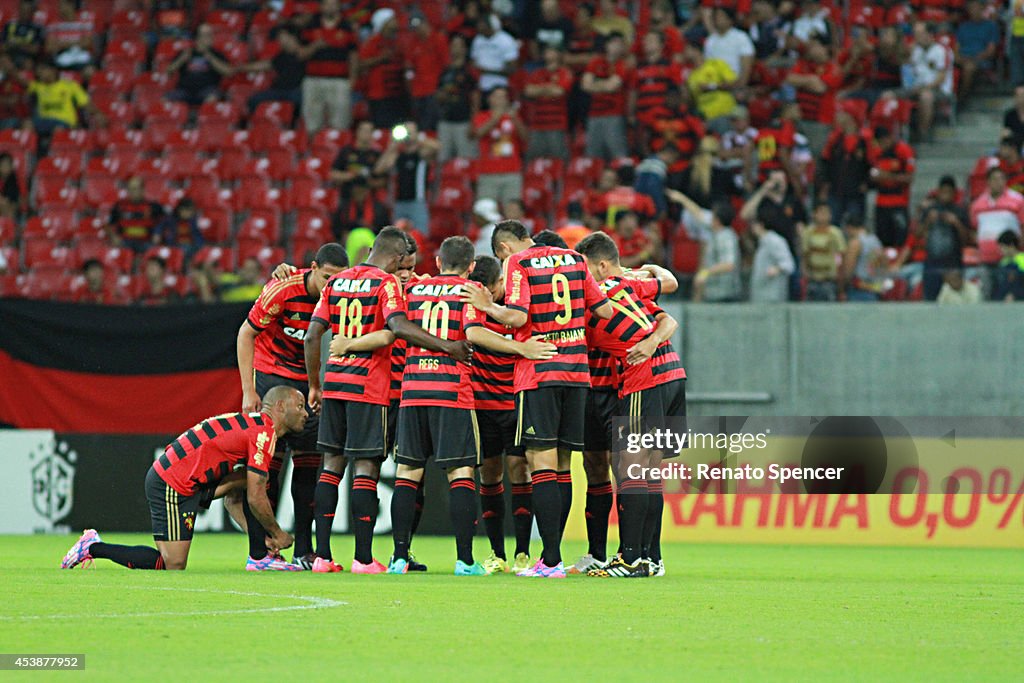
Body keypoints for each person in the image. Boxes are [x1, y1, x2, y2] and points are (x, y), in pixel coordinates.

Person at [303, 227, 472, 574]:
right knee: (371, 468)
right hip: (375, 387)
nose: (406, 272)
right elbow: (396, 326)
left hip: (336, 383)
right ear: (396, 259)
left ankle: (321, 555)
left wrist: (315, 385)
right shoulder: (388, 285)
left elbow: (311, 336)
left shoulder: (336, 282)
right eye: (404, 265)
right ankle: (364, 558)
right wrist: (448, 347)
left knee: (331, 466)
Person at [384, 237, 557, 575]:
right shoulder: (468, 291)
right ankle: (464, 560)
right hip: (452, 391)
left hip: (413, 389)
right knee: (461, 473)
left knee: (407, 473)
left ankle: (400, 557)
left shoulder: (414, 292)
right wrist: (521, 349)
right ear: (472, 267)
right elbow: (475, 334)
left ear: (436, 262)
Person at [461, 220, 613, 578]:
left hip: (540, 372)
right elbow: (604, 310)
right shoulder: (575, 260)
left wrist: (489, 306)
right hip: (577, 374)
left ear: (503, 250)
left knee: (540, 464)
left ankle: (551, 561)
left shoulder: (519, 263)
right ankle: (551, 556)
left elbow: (517, 315)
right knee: (562, 465)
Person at [61, 386, 308, 571]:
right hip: (172, 481)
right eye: (300, 405)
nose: (306, 413)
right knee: (172, 564)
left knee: (251, 479)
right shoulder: (263, 434)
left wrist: (262, 539)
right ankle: (93, 546)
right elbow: (254, 498)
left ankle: (260, 557)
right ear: (280, 407)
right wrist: (278, 533)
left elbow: (234, 500)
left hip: (188, 478)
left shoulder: (255, 426)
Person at [575, 231, 685, 578]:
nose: (583, 279)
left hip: (643, 378)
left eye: (585, 271)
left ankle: (630, 558)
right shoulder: (629, 284)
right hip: (672, 373)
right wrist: (653, 339)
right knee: (649, 471)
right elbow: (668, 298)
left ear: (602, 266)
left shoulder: (592, 298)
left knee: (632, 470)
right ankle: (651, 558)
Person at [236, 243, 348, 569]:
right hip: (272, 381)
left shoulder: (340, 297)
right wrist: (248, 391)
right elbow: (246, 334)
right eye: (327, 278)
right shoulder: (283, 289)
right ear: (313, 267)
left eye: (338, 281)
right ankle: (261, 550)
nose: (331, 287)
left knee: (309, 468)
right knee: (266, 469)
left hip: (309, 386)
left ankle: (303, 550)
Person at [465, 255, 535, 573]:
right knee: (490, 476)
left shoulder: (518, 310)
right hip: (483, 406)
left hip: (516, 404)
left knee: (520, 472)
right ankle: (497, 554)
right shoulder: (470, 312)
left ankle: (522, 553)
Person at [893, 176, 971, 300]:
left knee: (954, 299)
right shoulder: (929, 210)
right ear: (938, 192)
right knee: (930, 299)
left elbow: (966, 240)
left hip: (953, 264)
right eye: (943, 192)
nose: (945, 195)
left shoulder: (960, 212)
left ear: (953, 193)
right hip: (931, 264)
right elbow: (917, 234)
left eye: (948, 192)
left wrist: (956, 223)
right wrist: (928, 222)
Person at [666, 188, 740, 302]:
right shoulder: (714, 231)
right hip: (713, 292)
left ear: (717, 219)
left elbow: (728, 264)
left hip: (724, 295)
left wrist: (705, 273)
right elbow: (698, 214)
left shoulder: (726, 237)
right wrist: (681, 198)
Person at [298, 0, 357, 134]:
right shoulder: (311, 26)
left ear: (338, 6)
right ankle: (313, 151)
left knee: (340, 122)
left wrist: (353, 79)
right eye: (327, 4)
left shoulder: (346, 27)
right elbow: (301, 54)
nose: (330, 7)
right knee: (311, 122)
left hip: (339, 80)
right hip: (313, 80)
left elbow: (353, 56)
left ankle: (338, 149)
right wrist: (315, 46)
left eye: (333, 4)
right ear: (321, 6)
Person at [375, 121, 440, 236]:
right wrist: (392, 146)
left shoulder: (422, 154)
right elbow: (379, 169)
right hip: (399, 202)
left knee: (420, 236)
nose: (408, 134)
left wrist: (418, 139)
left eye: (411, 131)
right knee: (398, 238)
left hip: (418, 201)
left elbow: (437, 147)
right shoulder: (397, 155)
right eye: (407, 131)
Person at [785, 36, 842, 154]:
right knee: (796, 155)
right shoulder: (803, 64)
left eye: (814, 45)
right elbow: (789, 79)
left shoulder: (833, 67)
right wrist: (811, 80)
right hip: (799, 118)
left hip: (820, 122)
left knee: (815, 156)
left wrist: (802, 81)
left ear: (825, 48)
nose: (810, 48)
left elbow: (820, 87)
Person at [581, 32, 632, 161]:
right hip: (594, 115)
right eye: (614, 43)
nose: (617, 47)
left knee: (618, 154)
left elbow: (612, 86)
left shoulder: (623, 65)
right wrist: (605, 85)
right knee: (593, 155)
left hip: (614, 115)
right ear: (607, 45)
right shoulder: (595, 62)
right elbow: (585, 85)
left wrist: (596, 84)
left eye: (620, 44)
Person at [471, 86, 527, 204]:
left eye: (503, 97)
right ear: (489, 99)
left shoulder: (513, 117)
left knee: (512, 212)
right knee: (486, 210)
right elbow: (478, 133)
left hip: (512, 172)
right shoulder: (482, 116)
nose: (500, 100)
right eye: (497, 96)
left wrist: (515, 119)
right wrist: (495, 118)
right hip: (488, 173)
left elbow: (525, 137)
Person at [818, 106, 870, 225]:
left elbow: (871, 163)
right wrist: (824, 185)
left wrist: (867, 183)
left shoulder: (864, 139)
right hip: (836, 190)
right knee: (832, 223)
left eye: (842, 114)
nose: (837, 116)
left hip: (855, 192)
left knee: (855, 223)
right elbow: (825, 162)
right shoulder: (834, 138)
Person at [19, 59, 102, 134]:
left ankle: (56, 149)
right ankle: (27, 148)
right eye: (38, 71)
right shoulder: (38, 86)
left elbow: (85, 103)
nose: (39, 73)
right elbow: (20, 80)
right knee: (27, 124)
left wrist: (98, 114)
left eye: (42, 70)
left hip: (64, 122)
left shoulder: (70, 85)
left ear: (53, 71)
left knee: (58, 129)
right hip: (43, 121)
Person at [239, 27, 307, 118]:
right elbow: (267, 64)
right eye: (279, 38)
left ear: (293, 37)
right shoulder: (281, 55)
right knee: (253, 100)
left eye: (283, 37)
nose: (280, 41)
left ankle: (294, 126)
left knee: (301, 101)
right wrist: (240, 68)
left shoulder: (305, 53)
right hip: (278, 90)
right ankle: (251, 125)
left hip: (295, 90)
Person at [359, 8, 408, 129]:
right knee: (382, 128)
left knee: (399, 129)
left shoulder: (398, 41)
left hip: (398, 94)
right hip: (379, 96)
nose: (396, 22)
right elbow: (361, 64)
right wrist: (381, 58)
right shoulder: (373, 42)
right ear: (384, 23)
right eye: (392, 20)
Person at [524, 44, 572, 161]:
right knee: (533, 158)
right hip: (537, 123)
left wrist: (539, 89)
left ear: (559, 55)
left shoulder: (565, 72)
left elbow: (559, 91)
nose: (548, 54)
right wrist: (550, 87)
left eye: (552, 51)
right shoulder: (536, 73)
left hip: (557, 124)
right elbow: (528, 91)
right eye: (547, 51)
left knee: (559, 158)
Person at [869, 126, 916, 248]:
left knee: (900, 239)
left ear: (890, 138)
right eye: (879, 143)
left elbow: (909, 178)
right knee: (882, 240)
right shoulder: (877, 152)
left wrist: (887, 176)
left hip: (898, 202)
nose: (882, 145)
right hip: (881, 202)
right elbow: (872, 174)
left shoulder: (904, 151)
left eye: (884, 142)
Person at [166, 23, 233, 105]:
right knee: (165, 100)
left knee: (212, 99)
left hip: (208, 89)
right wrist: (181, 60)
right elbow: (169, 71)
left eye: (211, 34)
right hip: (184, 89)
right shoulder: (186, 52)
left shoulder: (216, 53)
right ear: (197, 38)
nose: (210, 37)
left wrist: (210, 57)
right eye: (206, 35)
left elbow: (228, 72)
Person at [436, 34, 479, 161]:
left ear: (465, 49)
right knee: (442, 159)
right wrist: (441, 96)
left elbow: (475, 97)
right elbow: (438, 95)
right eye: (453, 45)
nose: (455, 48)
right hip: (446, 120)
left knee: (466, 159)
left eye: (458, 45)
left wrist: (474, 121)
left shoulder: (469, 71)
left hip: (464, 122)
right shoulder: (445, 71)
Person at [907, 22, 953, 142]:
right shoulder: (915, 49)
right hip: (915, 87)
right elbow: (906, 70)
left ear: (929, 34)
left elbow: (941, 78)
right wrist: (908, 53)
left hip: (939, 89)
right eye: (915, 34)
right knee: (888, 95)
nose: (915, 37)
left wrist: (924, 87)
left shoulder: (942, 50)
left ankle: (923, 134)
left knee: (926, 96)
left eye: (919, 34)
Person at [407, 11, 449, 132]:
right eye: (414, 28)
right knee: (421, 127)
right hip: (418, 92)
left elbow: (446, 65)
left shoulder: (439, 39)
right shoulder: (414, 43)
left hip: (434, 91)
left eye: (419, 26)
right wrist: (410, 84)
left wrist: (442, 88)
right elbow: (409, 68)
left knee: (435, 126)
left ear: (426, 23)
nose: (417, 30)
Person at [330, 119, 388, 199]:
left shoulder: (377, 154)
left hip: (370, 198)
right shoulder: (346, 151)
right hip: (347, 196)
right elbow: (333, 174)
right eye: (363, 130)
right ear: (357, 132)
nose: (366, 133)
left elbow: (384, 180)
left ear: (372, 134)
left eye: (369, 131)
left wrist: (370, 183)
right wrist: (350, 175)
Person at [971, 167, 1024, 251]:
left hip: (1011, 256)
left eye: (1001, 178)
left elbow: (1023, 226)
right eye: (995, 179)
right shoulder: (977, 204)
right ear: (988, 181)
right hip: (986, 255)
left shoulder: (1018, 200)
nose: (998, 182)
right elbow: (975, 228)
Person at [801, 202, 847, 301]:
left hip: (829, 280)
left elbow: (839, 256)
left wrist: (840, 279)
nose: (823, 216)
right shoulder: (808, 232)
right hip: (813, 279)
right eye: (821, 213)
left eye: (826, 213)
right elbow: (805, 254)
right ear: (814, 214)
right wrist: (805, 275)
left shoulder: (835, 233)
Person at [955, 0, 999, 99]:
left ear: (982, 8)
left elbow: (991, 50)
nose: (974, 10)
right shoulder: (963, 26)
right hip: (963, 58)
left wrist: (975, 58)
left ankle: (962, 97)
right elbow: (956, 47)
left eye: (976, 7)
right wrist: (958, 57)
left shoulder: (991, 26)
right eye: (971, 8)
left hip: (981, 59)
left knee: (969, 67)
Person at [108, 177, 165, 253]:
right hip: (125, 242)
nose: (131, 192)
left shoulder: (154, 206)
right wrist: (113, 236)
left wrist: (158, 233)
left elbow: (164, 222)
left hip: (146, 242)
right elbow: (110, 224)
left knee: (154, 252)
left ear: (142, 190)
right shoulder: (119, 206)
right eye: (130, 189)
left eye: (135, 189)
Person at [703, 7, 754, 90]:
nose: (717, 19)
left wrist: (741, 85)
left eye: (721, 16)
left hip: (736, 82)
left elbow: (746, 64)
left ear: (730, 20)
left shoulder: (741, 37)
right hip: (716, 83)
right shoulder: (710, 40)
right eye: (715, 16)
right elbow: (708, 65)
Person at [749, 217, 796, 302]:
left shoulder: (774, 241)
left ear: (761, 225)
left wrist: (777, 269)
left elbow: (789, 264)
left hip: (773, 296)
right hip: (761, 295)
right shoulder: (762, 242)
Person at [841, 212, 885, 302]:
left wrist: (842, 289)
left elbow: (848, 272)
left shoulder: (855, 243)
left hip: (858, 289)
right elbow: (883, 265)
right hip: (874, 289)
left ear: (848, 228)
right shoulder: (876, 241)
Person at [470, 14, 519, 92]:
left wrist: (487, 71)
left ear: (490, 25)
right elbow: (473, 61)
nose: (479, 27)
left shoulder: (506, 40)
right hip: (479, 85)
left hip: (500, 86)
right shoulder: (478, 40)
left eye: (482, 24)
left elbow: (512, 69)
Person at [3, 0, 44, 68]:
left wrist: (16, 44)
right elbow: (2, 46)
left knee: (28, 63)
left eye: (27, 11)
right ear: (18, 10)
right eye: (22, 10)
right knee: (4, 60)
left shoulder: (37, 28)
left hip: (26, 59)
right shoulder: (9, 25)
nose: (24, 13)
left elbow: (35, 49)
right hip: (8, 57)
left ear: (32, 12)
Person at [994, 230, 1024, 301]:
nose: (1000, 250)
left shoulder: (1022, 260)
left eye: (1002, 247)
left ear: (1011, 245)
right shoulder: (1003, 262)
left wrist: (1016, 294)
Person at [0, 151, 22, 218]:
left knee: (10, 213)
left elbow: (15, 200)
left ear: (11, 167)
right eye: (3, 165)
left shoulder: (13, 180)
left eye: (7, 165)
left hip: (8, 209)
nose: (5, 167)